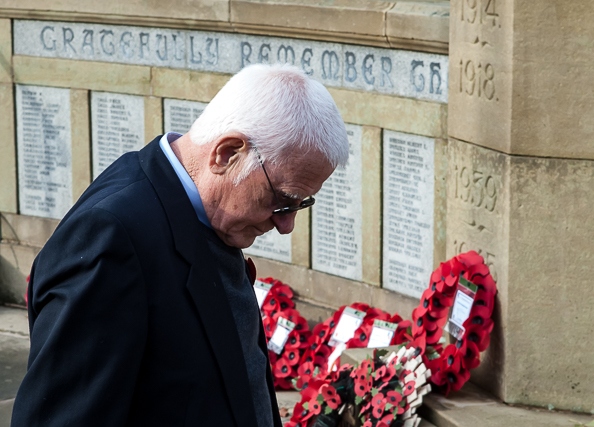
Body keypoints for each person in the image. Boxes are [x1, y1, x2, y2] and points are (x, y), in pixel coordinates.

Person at [11, 63, 349, 426]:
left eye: (301, 204)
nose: (286, 225)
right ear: (227, 153)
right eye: (283, 199)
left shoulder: (202, 213)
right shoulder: (111, 241)